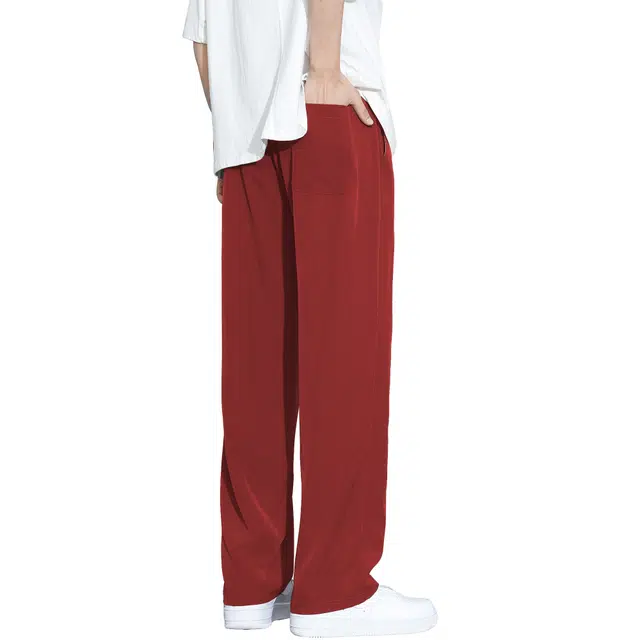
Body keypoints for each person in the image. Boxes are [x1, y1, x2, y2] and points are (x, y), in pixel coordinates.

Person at [183, 1, 437, 636]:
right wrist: (323, 67)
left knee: (257, 371)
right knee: (344, 361)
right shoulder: (325, 84)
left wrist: (230, 130)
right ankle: (336, 589)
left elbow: (203, 42)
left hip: (244, 145)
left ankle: (254, 583)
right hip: (325, 114)